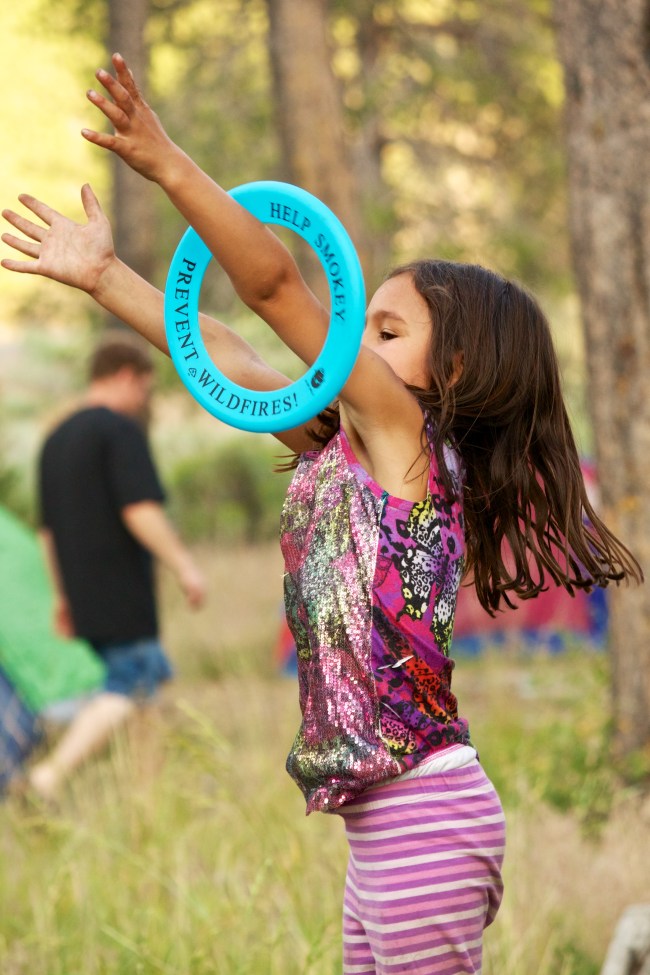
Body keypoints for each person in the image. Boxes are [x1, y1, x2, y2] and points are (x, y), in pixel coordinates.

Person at [1, 54, 642, 973]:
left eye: (383, 331)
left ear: (449, 373)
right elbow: (218, 344)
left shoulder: (410, 447)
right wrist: (107, 279)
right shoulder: (342, 443)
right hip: (380, 824)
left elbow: (272, 292)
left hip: (423, 813)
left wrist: (169, 162)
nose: (353, 340)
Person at [28, 331, 206, 801]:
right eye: (146, 390)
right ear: (127, 376)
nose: (144, 401)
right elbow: (139, 510)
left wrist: (62, 596)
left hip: (83, 592)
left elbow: (46, 531)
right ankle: (48, 777)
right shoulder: (118, 430)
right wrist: (184, 565)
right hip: (120, 588)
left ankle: (144, 792)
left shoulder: (54, 438)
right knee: (133, 680)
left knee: (145, 692)